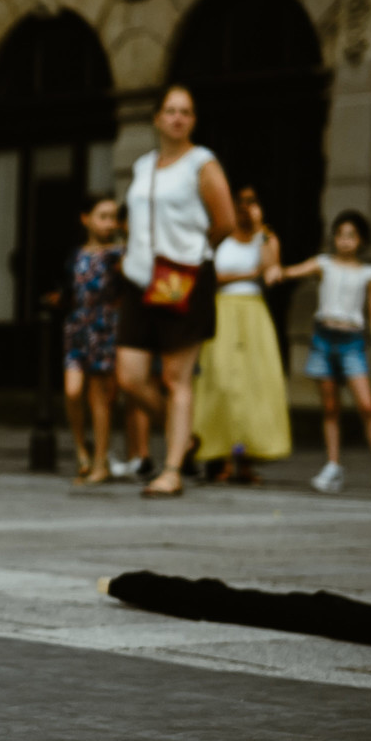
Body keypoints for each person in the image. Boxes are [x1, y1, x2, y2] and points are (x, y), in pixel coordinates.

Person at [116, 85, 236, 497]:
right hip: (140, 278)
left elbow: (224, 221)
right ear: (156, 118)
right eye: (170, 111)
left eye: (185, 111)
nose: (177, 118)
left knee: (175, 377)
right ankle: (183, 436)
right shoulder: (143, 165)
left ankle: (171, 470)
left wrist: (192, 255)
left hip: (183, 278)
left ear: (193, 120)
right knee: (129, 375)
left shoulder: (202, 163)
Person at [273, 210, 371, 494]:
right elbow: (291, 271)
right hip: (324, 338)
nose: (344, 241)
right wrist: (274, 265)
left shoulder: (368, 272)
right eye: (340, 235)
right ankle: (333, 464)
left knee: (366, 405)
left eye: (350, 235)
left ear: (361, 240)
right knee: (330, 408)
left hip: (351, 338)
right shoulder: (323, 264)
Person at [192, 185, 291, 484]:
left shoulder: (267, 237)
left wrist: (259, 230)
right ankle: (219, 456)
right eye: (240, 202)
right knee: (221, 382)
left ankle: (245, 458)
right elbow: (213, 277)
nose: (245, 208)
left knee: (252, 385)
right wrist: (250, 274)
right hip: (223, 310)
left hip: (253, 313)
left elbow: (272, 272)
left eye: (251, 202)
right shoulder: (219, 236)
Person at [60, 195, 122, 486]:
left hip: (104, 327)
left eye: (113, 217)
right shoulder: (76, 255)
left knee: (99, 398)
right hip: (78, 326)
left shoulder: (117, 254)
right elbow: (69, 289)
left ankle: (100, 460)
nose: (109, 224)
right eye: (103, 216)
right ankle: (81, 450)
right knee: (73, 391)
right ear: (86, 218)